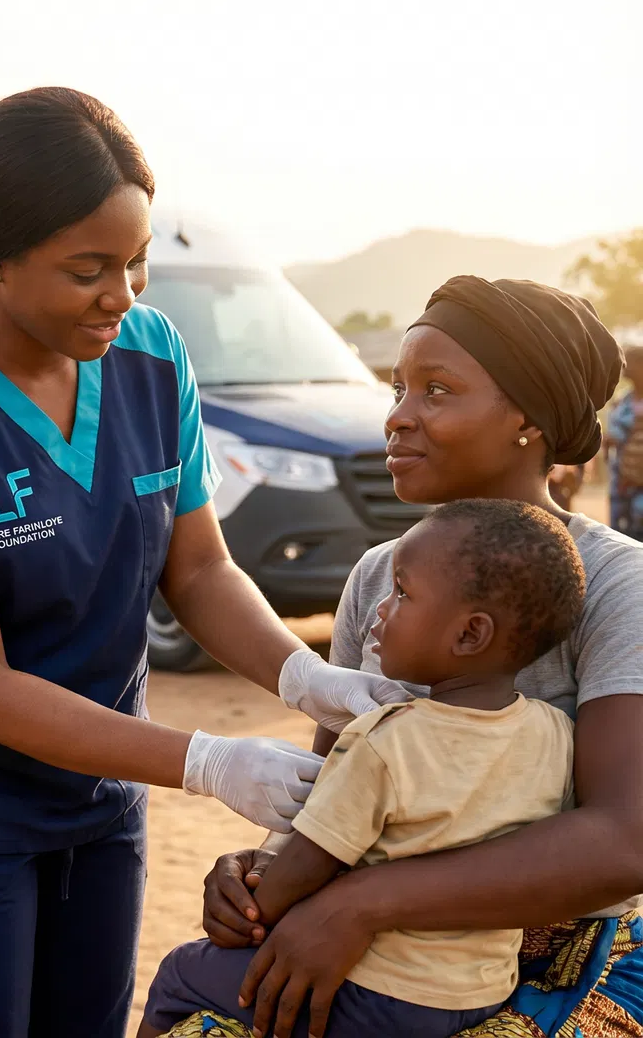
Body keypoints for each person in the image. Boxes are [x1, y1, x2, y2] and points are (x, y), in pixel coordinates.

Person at [0, 87, 404, 1037]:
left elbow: (200, 569)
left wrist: (305, 677)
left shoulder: (147, 352)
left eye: (137, 264)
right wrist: (209, 761)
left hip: (100, 796)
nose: (122, 296)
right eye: (88, 270)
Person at [194, 276, 643, 1038]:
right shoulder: (379, 576)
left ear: (528, 420)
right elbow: (339, 793)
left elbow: (624, 839)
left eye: (437, 391)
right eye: (398, 388)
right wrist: (259, 871)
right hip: (377, 948)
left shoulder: (618, 582)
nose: (398, 418)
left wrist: (362, 903)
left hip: (566, 952)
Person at [141, 500, 584, 1038]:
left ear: (469, 635)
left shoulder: (384, 740)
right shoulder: (554, 732)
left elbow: (300, 871)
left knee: (181, 972)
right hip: (482, 993)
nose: (380, 609)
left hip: (374, 994)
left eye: (402, 593)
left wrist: (244, 907)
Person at [605, 346, 643, 539]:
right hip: (622, 481)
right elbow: (611, 440)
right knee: (619, 537)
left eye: (630, 361)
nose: (624, 365)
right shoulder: (621, 403)